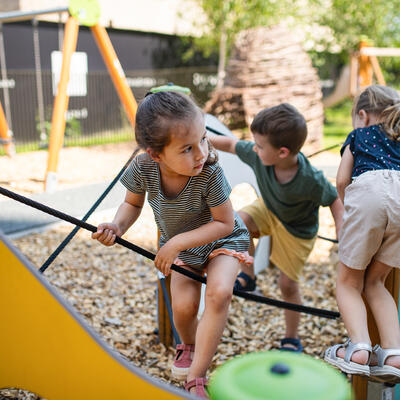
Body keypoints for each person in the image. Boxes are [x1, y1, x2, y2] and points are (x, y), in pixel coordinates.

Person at [92, 91, 252, 398]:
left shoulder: (209, 172)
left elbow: (224, 223)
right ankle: (188, 344)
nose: (201, 153)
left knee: (218, 294)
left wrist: (175, 242)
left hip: (223, 239)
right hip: (183, 249)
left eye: (204, 140)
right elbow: (132, 205)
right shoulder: (143, 168)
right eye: (187, 148)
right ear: (156, 154)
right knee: (183, 306)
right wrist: (116, 226)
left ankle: (197, 375)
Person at [209, 103, 343, 352]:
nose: (254, 149)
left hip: (297, 230)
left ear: (282, 152)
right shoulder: (258, 154)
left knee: (287, 285)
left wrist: (342, 231)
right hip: (270, 208)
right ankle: (247, 277)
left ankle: (292, 338)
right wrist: (201, 138)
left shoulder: (310, 179)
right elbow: (229, 144)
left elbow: (334, 199)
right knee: (238, 222)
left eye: (260, 146)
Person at [325, 85, 400, 382]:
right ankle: (394, 354)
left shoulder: (359, 135)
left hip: (369, 193)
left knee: (348, 282)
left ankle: (358, 348)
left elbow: (342, 179)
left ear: (362, 115)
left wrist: (351, 209)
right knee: (376, 281)